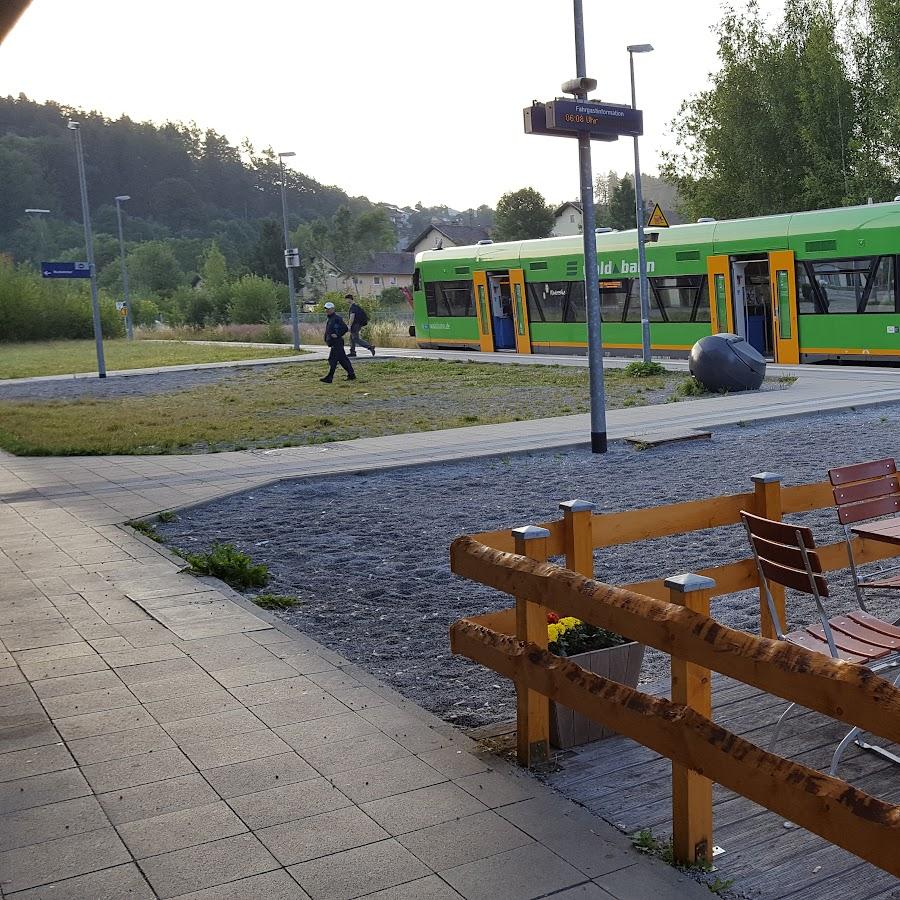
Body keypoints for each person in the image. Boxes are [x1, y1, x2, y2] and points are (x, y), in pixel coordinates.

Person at [320, 302, 355, 383]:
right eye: (326, 309)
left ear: (333, 309)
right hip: (334, 343)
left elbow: (345, 328)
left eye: (329, 309)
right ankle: (351, 374)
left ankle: (330, 377)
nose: (327, 310)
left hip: (337, 342)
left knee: (332, 360)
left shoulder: (337, 318)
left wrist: (337, 334)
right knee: (343, 360)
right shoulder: (330, 318)